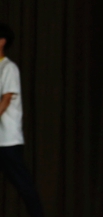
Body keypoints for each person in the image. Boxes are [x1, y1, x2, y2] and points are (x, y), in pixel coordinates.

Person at [0, 23, 45, 217]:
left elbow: (5, 100)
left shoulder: (9, 68)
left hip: (8, 139)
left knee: (23, 184)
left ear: (2, 42)